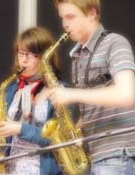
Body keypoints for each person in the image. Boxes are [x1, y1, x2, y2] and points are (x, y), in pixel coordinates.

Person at [48, 0, 135, 174]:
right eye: (62, 18)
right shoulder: (78, 56)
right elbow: (95, 106)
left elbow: (128, 94)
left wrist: (73, 94)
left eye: (71, 17)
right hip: (96, 155)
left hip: (119, 153)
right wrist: (73, 132)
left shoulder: (115, 43)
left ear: (92, 14)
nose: (65, 24)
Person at [0, 27, 62, 175]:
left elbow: (58, 140)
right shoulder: (11, 90)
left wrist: (21, 129)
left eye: (31, 55)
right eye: (21, 53)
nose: (24, 60)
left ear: (45, 57)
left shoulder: (59, 91)